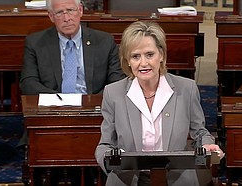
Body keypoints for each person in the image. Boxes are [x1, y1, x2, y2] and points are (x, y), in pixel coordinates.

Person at [95, 21, 224, 186]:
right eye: (135, 56)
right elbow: (105, 144)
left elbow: (199, 132)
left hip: (177, 179)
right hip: (127, 179)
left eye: (150, 54)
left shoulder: (186, 89)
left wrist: (207, 145)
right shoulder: (113, 93)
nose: (143, 63)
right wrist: (110, 158)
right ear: (127, 60)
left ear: (161, 55)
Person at [18, 0, 125, 185]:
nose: (66, 18)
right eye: (59, 13)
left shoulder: (104, 41)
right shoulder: (36, 42)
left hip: (94, 113)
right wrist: (61, 100)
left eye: (70, 10)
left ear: (81, 11)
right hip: (53, 113)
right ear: (51, 17)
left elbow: (117, 81)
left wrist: (88, 101)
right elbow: (28, 82)